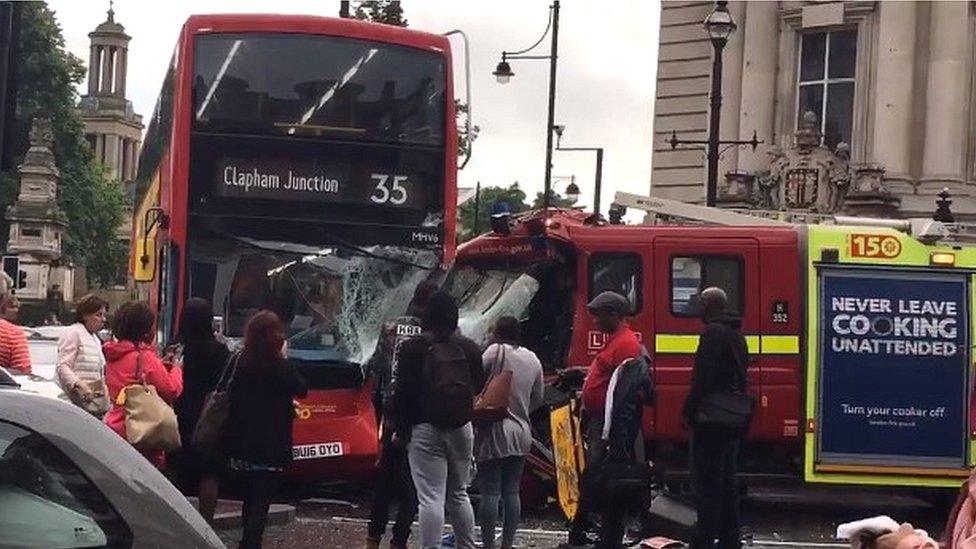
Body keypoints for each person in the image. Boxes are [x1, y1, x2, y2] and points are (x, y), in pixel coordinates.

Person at [393, 291, 485, 549]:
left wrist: (401, 429)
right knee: (459, 493)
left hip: (424, 427)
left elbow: (404, 392)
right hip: (461, 425)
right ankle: (467, 545)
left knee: (430, 497)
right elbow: (477, 385)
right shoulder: (469, 348)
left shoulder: (413, 348)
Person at [222, 310, 307, 549]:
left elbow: (227, 390)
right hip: (272, 441)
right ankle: (251, 542)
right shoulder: (281, 367)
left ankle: (248, 539)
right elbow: (302, 389)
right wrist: (284, 358)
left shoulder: (241, 360)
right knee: (262, 498)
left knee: (249, 496)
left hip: (242, 437)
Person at [568, 290, 644, 549]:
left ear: (614, 315)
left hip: (607, 424)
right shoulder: (616, 341)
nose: (595, 322)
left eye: (599, 316)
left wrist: (612, 435)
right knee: (597, 477)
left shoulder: (625, 344)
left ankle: (599, 535)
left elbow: (623, 392)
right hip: (602, 421)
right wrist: (581, 374)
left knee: (602, 478)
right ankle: (595, 533)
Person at [364, 280, 437, 549]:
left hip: (391, 413)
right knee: (413, 484)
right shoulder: (435, 336)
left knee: (385, 480)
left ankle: (373, 538)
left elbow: (375, 369)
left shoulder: (390, 328)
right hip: (421, 416)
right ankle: (399, 540)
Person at [682, 287, 749, 549]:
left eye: (700, 303)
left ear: (710, 305)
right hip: (731, 419)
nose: (697, 308)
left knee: (707, 483)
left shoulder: (712, 334)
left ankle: (704, 539)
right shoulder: (736, 335)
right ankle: (731, 538)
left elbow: (702, 379)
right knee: (728, 482)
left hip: (711, 420)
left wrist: (688, 411)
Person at [476, 316, 544, 549]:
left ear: (497, 332)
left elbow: (476, 380)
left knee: (490, 491)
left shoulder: (494, 352)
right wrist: (521, 408)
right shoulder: (532, 358)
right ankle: (507, 543)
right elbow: (538, 397)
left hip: (495, 428)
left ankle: (487, 544)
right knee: (512, 491)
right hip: (522, 430)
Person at [104, 301, 184, 469]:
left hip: (115, 430)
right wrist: (177, 368)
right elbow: (171, 389)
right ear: (146, 330)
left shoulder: (113, 355)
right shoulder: (145, 358)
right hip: (142, 433)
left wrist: (161, 364)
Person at [172, 298, 230, 524]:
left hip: (181, 412)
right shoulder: (219, 350)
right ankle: (206, 521)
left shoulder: (177, 347)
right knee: (208, 472)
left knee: (179, 469)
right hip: (209, 416)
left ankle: (179, 521)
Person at [57, 294, 110, 415]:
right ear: (85, 316)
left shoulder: (95, 339)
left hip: (90, 404)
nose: (103, 319)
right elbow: (63, 366)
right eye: (99, 315)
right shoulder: (74, 333)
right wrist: (78, 384)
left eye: (104, 315)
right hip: (71, 404)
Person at [0, 292, 30, 374]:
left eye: (17, 307)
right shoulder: (14, 334)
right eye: (12, 307)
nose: (16, 310)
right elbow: (23, 371)